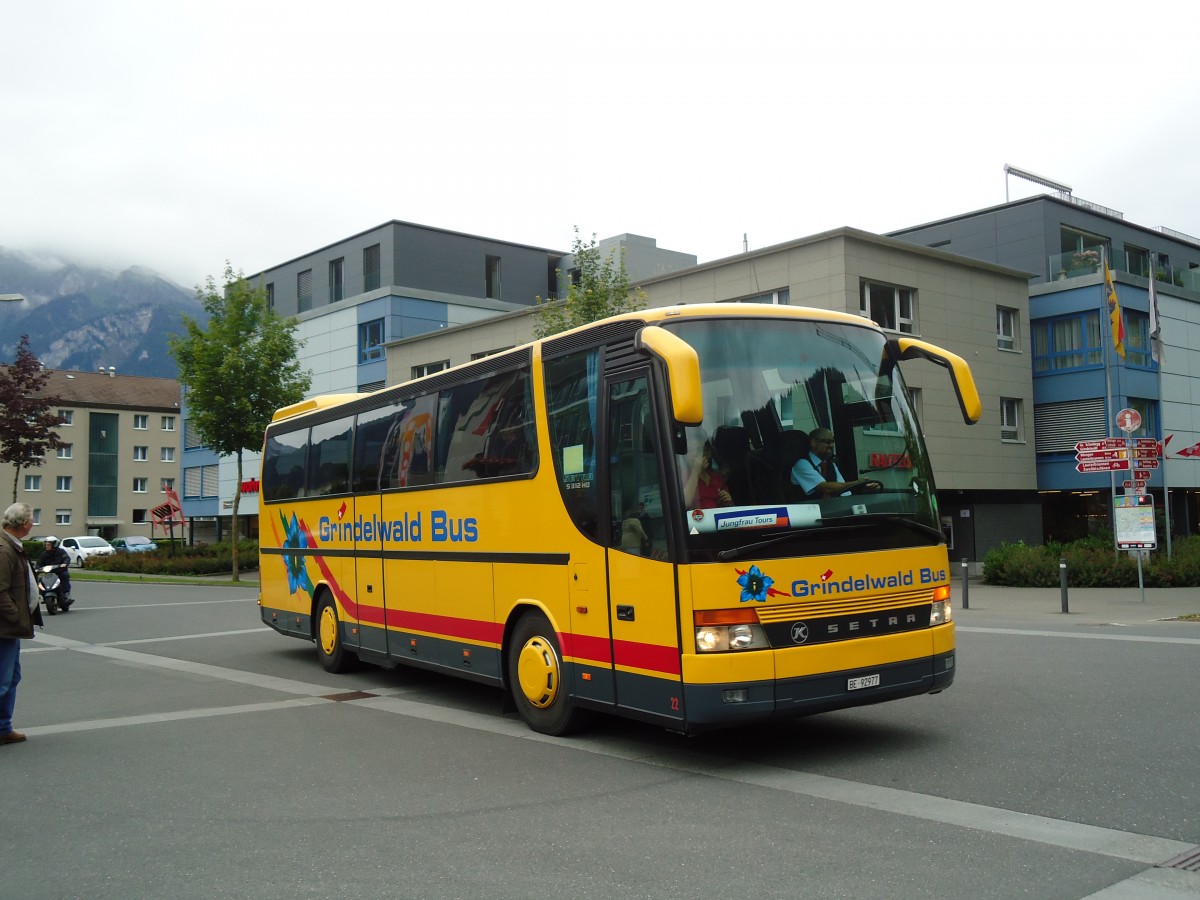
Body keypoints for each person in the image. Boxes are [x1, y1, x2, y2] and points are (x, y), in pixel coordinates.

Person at [0, 503, 42, 746]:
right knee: (3, 679)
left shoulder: (11, 545)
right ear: (25, 524)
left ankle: (4, 727)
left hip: (9, 627)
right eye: (31, 519)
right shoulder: (5, 549)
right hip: (5, 627)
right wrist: (15, 615)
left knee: (11, 677)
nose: (32, 524)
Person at [790, 428, 881, 498]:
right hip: (806, 517)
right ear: (813, 442)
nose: (832, 446)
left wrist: (864, 488)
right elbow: (826, 488)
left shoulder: (831, 465)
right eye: (828, 442)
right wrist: (857, 483)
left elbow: (844, 491)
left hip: (831, 514)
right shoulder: (802, 464)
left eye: (833, 442)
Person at [682, 437, 733, 509]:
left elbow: (731, 508)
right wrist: (696, 471)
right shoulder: (682, 476)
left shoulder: (717, 478)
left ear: (708, 453)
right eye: (690, 450)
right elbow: (684, 504)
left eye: (698, 450)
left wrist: (727, 501)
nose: (694, 454)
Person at [36, 535, 72, 610]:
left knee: (64, 575)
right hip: (49, 573)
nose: (46, 546)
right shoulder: (44, 554)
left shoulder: (61, 552)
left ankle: (66, 594)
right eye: (46, 544)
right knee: (40, 580)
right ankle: (42, 594)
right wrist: (37, 569)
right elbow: (39, 563)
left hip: (60, 571)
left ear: (54, 545)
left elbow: (66, 558)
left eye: (48, 544)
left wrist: (65, 563)